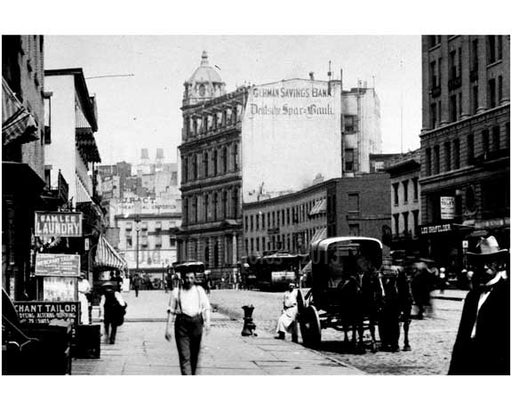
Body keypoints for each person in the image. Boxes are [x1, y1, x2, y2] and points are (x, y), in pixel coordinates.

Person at [448, 236, 510, 375]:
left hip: (494, 365)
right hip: (467, 362)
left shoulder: (507, 294)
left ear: (499, 263)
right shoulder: (472, 296)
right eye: (481, 262)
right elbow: (461, 337)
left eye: (490, 261)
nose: (485, 266)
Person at [165, 271, 211, 375]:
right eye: (186, 278)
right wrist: (168, 328)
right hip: (182, 325)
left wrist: (208, 322)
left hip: (197, 323)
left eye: (191, 278)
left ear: (194, 279)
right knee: (184, 355)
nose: (188, 280)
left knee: (194, 355)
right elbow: (171, 311)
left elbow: (206, 307)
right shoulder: (176, 292)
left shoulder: (199, 291)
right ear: (182, 279)